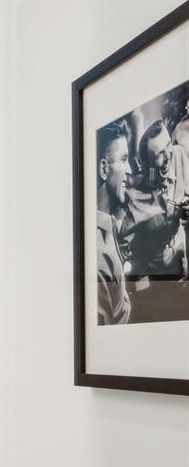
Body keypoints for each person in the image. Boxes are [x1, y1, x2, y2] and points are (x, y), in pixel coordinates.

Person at [122, 118, 189, 320]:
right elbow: (125, 250)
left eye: (168, 145)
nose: (168, 156)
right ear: (146, 164)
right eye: (159, 154)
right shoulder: (134, 199)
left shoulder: (179, 155)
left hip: (184, 261)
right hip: (159, 282)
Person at [96, 122, 131, 326]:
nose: (130, 169)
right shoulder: (99, 256)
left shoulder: (108, 227)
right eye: (124, 159)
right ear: (103, 169)